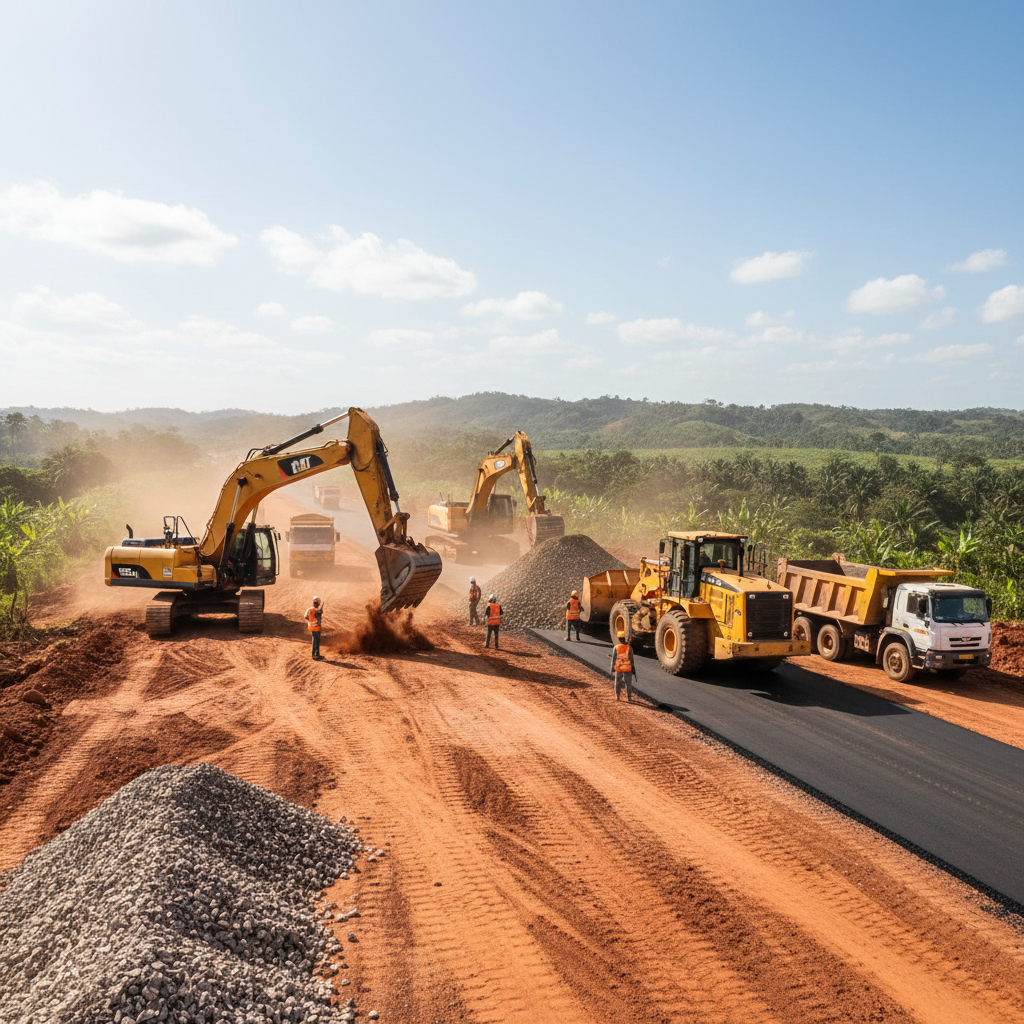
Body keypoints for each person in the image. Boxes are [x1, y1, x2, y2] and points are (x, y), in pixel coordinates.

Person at [609, 630, 637, 702]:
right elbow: (631, 659)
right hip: (627, 668)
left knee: (617, 682)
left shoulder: (616, 647)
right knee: (628, 683)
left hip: (619, 668)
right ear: (625, 639)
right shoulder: (629, 648)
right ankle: (629, 698)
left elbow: (614, 658)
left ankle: (618, 697)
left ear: (619, 639)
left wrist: (612, 668)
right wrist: (633, 668)